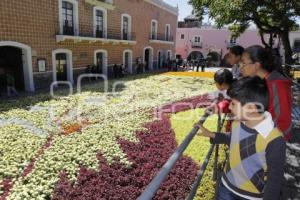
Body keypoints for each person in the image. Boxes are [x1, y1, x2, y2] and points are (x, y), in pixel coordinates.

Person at [196, 77, 286, 200]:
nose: (230, 107)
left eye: (233, 104)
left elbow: (274, 180)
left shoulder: (274, 139)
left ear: (251, 108)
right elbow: (235, 140)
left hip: (251, 196)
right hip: (226, 186)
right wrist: (213, 135)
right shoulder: (237, 122)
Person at [240, 45, 292, 141]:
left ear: (256, 65)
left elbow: (282, 121)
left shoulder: (277, 84)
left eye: (243, 63)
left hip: (271, 142)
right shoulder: (260, 81)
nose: (240, 67)